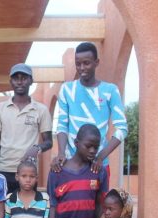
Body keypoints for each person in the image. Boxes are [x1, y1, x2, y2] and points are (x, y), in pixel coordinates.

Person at [52, 42, 128, 177]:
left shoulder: (110, 91)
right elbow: (62, 125)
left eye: (86, 63)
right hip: (71, 163)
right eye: (78, 63)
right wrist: (61, 153)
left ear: (96, 62)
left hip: (99, 165)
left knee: (100, 199)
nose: (81, 68)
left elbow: (122, 128)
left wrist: (100, 157)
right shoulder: (67, 89)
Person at [0, 63, 52, 193]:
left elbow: (48, 141)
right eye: (16, 78)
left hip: (28, 172)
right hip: (3, 169)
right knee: (3, 210)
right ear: (11, 81)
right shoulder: (0, 108)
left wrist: (37, 148)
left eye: (24, 78)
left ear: (31, 81)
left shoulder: (41, 109)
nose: (19, 82)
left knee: (26, 210)